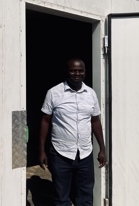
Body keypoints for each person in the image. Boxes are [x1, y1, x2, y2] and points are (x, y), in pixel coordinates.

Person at [38, 58, 107, 206]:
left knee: (85, 196)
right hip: (60, 153)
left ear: (85, 72)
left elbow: (95, 121)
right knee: (61, 197)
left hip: (85, 153)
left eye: (80, 70)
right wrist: (41, 150)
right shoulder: (54, 93)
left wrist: (102, 148)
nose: (77, 74)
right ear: (67, 71)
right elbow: (45, 121)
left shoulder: (91, 94)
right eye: (73, 70)